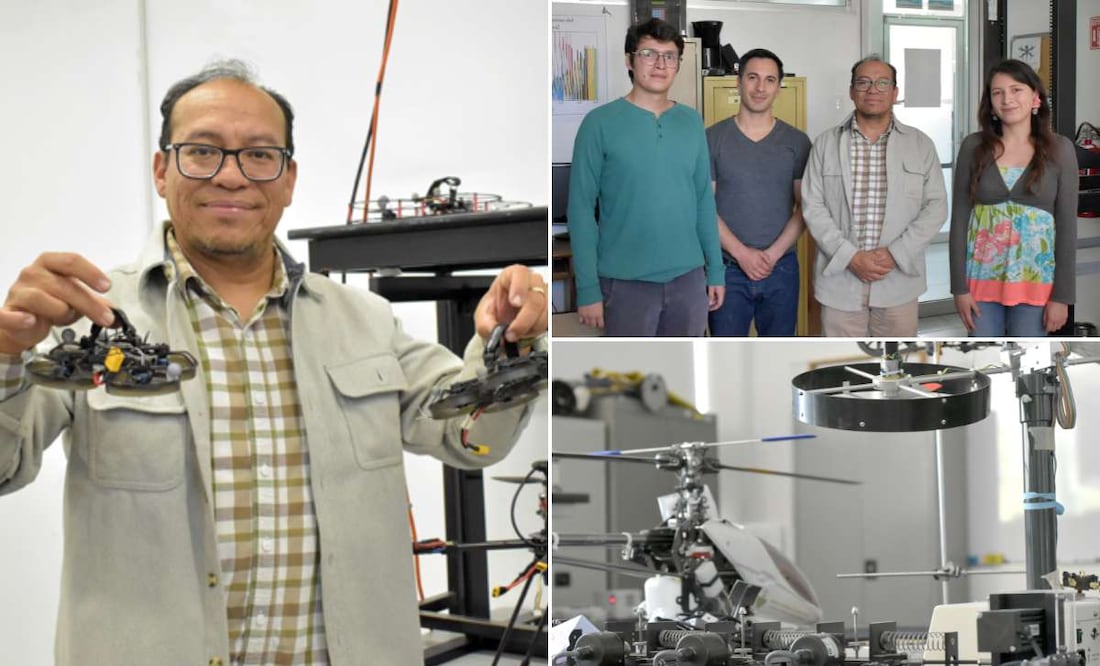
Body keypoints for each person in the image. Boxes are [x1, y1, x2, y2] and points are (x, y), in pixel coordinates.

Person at [0, 61, 547, 665]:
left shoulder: (363, 322)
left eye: (260, 155)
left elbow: (471, 438)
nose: (232, 176)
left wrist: (509, 346)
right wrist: (4, 353)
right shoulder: (89, 318)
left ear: (288, 179)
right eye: (203, 151)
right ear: (162, 170)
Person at [567, 18, 724, 336]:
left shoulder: (691, 121)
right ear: (629, 60)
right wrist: (587, 289)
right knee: (630, 380)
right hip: (625, 285)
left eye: (669, 56)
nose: (660, 64)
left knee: (682, 377)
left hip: (689, 281)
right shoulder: (599, 124)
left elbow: (703, 201)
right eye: (649, 54)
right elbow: (581, 210)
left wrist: (716, 270)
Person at [802, 55, 947, 337]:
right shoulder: (826, 144)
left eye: (882, 83)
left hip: (899, 281)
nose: (873, 90)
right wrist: (850, 256)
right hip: (840, 282)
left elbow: (936, 207)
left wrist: (895, 255)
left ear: (895, 92)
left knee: (898, 365)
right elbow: (812, 205)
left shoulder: (920, 145)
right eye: (864, 82)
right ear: (851, 91)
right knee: (843, 365)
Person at [949, 59, 1078, 336]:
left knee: (1029, 357)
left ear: (1035, 97)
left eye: (1016, 89)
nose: (1007, 99)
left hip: (1037, 283)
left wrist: (1062, 296)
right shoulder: (974, 147)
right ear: (991, 103)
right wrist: (958, 288)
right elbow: (959, 220)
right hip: (980, 282)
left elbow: (1067, 227)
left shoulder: (1060, 149)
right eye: (998, 92)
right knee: (984, 354)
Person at [706, 48, 811, 336]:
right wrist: (742, 254)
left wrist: (771, 256)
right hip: (727, 269)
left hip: (781, 269)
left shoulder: (797, 142)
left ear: (779, 88)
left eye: (769, 80)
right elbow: (705, 208)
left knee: (777, 357)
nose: (760, 87)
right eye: (752, 78)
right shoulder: (712, 139)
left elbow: (805, 208)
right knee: (725, 359)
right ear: (738, 82)